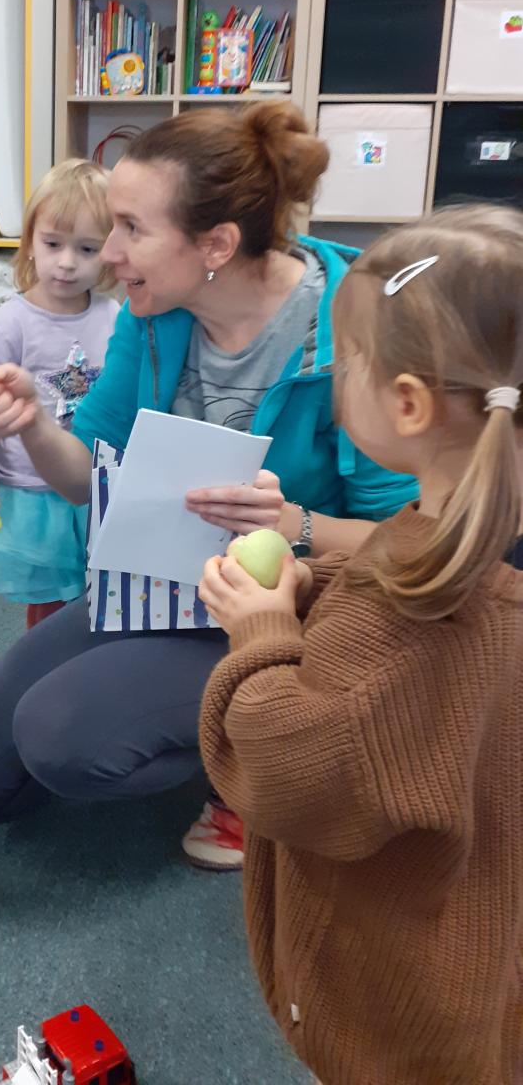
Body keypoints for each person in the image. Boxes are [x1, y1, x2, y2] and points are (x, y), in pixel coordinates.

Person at [0, 101, 416, 873]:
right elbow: (83, 479)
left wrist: (294, 525)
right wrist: (31, 426)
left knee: (61, 737)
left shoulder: (357, 332)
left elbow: (412, 543)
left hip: (293, 614)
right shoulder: (152, 316)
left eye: (130, 228)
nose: (108, 252)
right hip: (156, 590)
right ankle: (219, 719)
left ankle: (268, 765)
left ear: (216, 245)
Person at [197, 205, 523, 1085]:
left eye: (348, 364)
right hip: (484, 933)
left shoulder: (406, 620)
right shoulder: (474, 561)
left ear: (407, 403)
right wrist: (320, 583)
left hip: (395, 992)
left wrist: (261, 633)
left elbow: (289, 776)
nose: (337, 380)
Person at [0, 159, 119, 629]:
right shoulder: (8, 324)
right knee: (49, 608)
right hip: (31, 493)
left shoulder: (113, 316)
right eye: (53, 244)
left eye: (87, 248)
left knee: (98, 593)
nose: (67, 262)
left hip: (95, 483)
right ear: (30, 241)